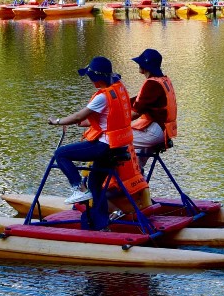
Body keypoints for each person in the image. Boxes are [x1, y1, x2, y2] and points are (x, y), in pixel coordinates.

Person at [47, 56, 148, 226]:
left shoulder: (102, 97)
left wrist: (57, 121)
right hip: (119, 145)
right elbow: (105, 118)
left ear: (95, 78)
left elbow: (79, 115)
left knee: (61, 154)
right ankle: (101, 224)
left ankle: (78, 188)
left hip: (105, 146)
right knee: (95, 182)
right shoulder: (118, 89)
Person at [128, 49, 177, 163]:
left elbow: (135, 113)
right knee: (137, 163)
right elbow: (141, 100)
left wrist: (112, 123)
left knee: (113, 141)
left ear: (145, 66)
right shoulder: (162, 80)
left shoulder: (152, 84)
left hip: (155, 131)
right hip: (162, 129)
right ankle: (138, 179)